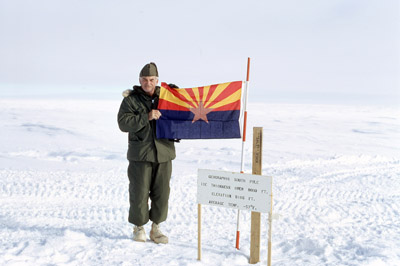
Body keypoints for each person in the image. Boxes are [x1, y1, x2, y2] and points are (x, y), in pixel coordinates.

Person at [117, 62, 177, 244]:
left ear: (157, 80)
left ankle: (156, 228)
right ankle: (139, 227)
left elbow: (183, 110)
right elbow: (123, 123)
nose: (148, 83)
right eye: (144, 79)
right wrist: (147, 117)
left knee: (162, 193)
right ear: (139, 80)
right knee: (139, 192)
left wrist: (178, 94)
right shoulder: (131, 100)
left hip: (164, 153)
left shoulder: (167, 97)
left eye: (151, 79)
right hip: (140, 155)